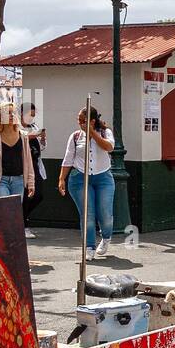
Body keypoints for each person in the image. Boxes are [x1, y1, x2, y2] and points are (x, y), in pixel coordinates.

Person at [59, 105, 116, 259]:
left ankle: (106, 237)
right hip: (79, 177)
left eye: (83, 120)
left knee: (105, 212)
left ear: (92, 121)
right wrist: (62, 178)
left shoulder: (105, 132)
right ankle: (89, 247)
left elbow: (109, 147)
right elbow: (68, 158)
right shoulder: (76, 136)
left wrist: (92, 133)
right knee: (87, 213)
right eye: (78, 120)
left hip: (103, 176)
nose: (79, 123)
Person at [0, 102, 35, 202]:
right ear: (0, 116)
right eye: (8, 113)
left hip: (19, 180)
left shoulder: (23, 136)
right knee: (5, 210)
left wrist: (31, 182)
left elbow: (28, 161)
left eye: (13, 113)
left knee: (14, 213)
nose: (11, 115)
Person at [20, 101, 46, 238]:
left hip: (35, 163)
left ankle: (21, 217)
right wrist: (36, 135)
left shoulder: (34, 126)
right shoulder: (16, 127)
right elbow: (22, 137)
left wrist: (42, 140)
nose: (32, 118)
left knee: (38, 194)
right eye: (30, 115)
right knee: (25, 195)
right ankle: (23, 224)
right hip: (23, 165)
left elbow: (41, 148)